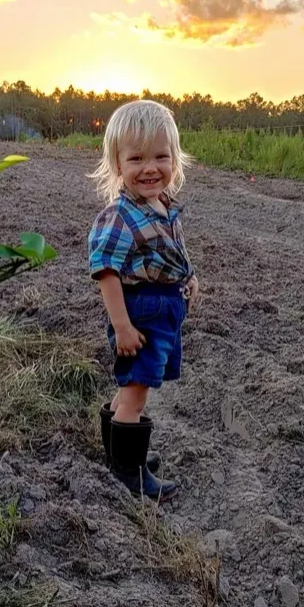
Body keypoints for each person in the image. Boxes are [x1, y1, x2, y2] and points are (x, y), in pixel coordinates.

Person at [88, 99, 199, 502]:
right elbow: (105, 271)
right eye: (136, 159)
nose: (150, 168)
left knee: (130, 386)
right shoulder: (119, 215)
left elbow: (170, 253)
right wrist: (121, 326)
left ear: (175, 159)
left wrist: (188, 278)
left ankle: (119, 454)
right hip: (140, 314)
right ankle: (128, 472)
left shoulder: (162, 205)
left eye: (160, 157)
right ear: (117, 164)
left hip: (162, 310)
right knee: (136, 393)